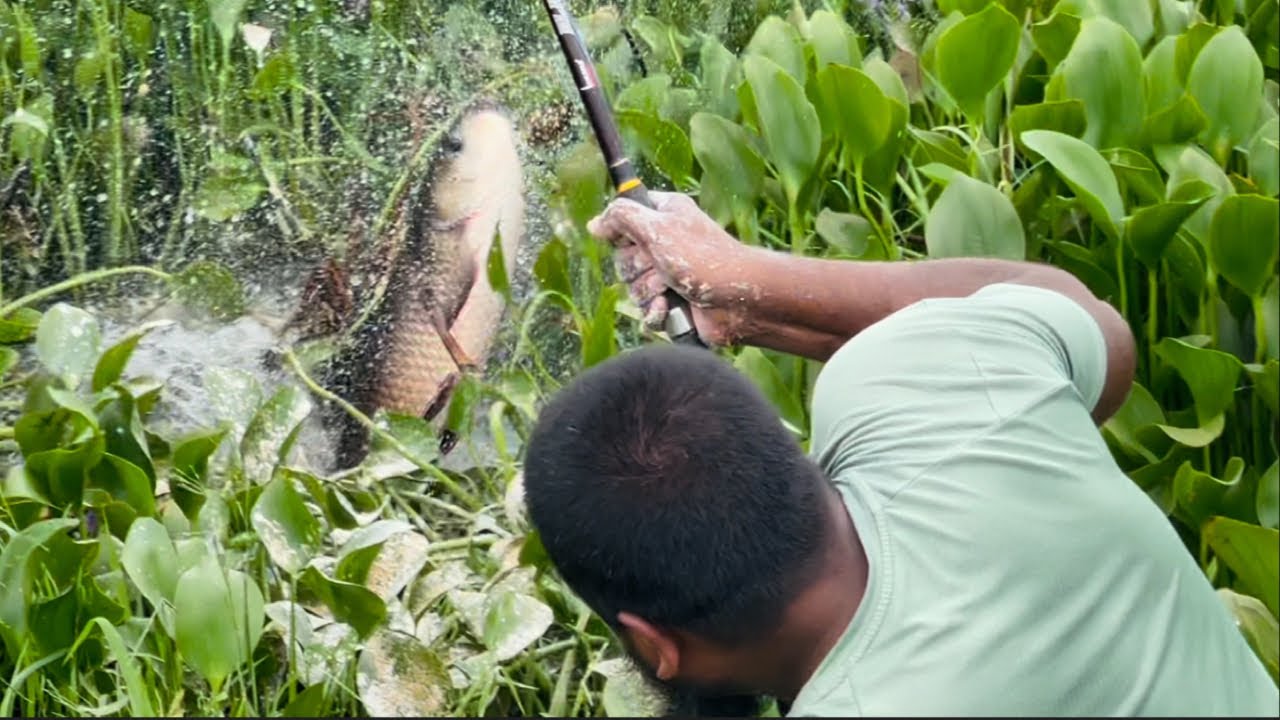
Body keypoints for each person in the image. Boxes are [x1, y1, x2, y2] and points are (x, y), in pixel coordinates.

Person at [520, 191, 1279, 716]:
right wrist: (742, 281)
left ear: (657, 648)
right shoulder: (926, 392)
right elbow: (1099, 336)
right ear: (788, 463)